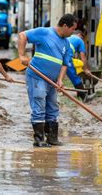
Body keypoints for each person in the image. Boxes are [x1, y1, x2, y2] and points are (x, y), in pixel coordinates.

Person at [18, 14, 77, 147]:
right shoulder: (44, 32)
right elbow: (23, 35)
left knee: (53, 107)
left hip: (53, 80)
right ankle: (39, 139)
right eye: (72, 29)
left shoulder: (67, 43)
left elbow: (64, 63)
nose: (73, 32)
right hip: (37, 76)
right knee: (39, 104)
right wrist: (22, 56)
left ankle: (52, 138)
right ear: (65, 26)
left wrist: (60, 80)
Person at [66, 30, 91, 101]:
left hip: (58, 56)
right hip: (66, 58)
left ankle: (80, 94)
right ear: (79, 34)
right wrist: (86, 69)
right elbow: (83, 56)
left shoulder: (68, 37)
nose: (82, 39)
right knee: (75, 78)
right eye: (82, 37)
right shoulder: (80, 40)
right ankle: (84, 97)